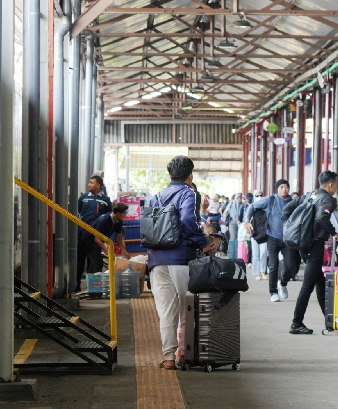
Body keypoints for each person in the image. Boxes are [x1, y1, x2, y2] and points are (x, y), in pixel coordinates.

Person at [146, 156, 215, 369]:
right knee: (187, 307)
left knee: (166, 310)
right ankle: (184, 354)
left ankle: (168, 357)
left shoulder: (156, 196)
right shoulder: (188, 193)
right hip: (180, 258)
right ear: (190, 175)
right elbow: (187, 220)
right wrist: (202, 240)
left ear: (169, 174)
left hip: (156, 260)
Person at [282, 171, 338, 334]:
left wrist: (288, 226)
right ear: (330, 185)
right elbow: (323, 217)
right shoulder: (328, 199)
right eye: (335, 184)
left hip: (304, 244)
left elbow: (287, 209)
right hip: (315, 244)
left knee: (319, 282)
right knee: (308, 284)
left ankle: (329, 320)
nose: (335, 187)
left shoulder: (310, 195)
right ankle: (296, 322)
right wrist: (333, 232)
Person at [246, 179, 296, 303]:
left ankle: (283, 283)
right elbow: (252, 206)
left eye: (286, 187)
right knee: (273, 266)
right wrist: (247, 221)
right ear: (277, 189)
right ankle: (273, 292)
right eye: (282, 187)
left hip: (288, 239)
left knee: (290, 266)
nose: (284, 189)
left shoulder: (293, 202)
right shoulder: (270, 200)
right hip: (272, 237)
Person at [75, 175, 112, 292]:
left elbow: (107, 217)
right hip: (81, 233)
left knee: (95, 261)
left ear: (98, 185)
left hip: (94, 236)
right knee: (79, 260)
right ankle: (76, 285)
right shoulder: (83, 198)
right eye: (89, 182)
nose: (89, 184)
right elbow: (79, 211)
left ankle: (91, 288)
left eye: (91, 183)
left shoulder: (105, 200)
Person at [85, 203, 131, 277]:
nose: (125, 215)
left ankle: (92, 283)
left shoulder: (118, 221)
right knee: (97, 262)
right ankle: (94, 284)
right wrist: (107, 251)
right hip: (90, 240)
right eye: (125, 213)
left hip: (98, 241)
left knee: (95, 262)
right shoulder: (104, 220)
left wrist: (124, 250)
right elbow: (97, 239)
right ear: (118, 213)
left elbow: (118, 238)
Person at [247, 190, 268, 280]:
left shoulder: (267, 209)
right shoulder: (251, 209)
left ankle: (263, 271)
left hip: (264, 234)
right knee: (255, 254)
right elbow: (247, 220)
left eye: (261, 195)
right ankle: (257, 273)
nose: (259, 197)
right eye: (257, 195)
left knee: (263, 253)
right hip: (254, 233)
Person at [224, 193, 244, 259]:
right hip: (232, 223)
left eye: (240, 198)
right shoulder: (231, 205)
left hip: (240, 225)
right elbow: (225, 212)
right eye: (238, 198)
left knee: (239, 240)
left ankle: (238, 255)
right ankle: (232, 256)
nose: (239, 199)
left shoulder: (243, 206)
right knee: (232, 239)